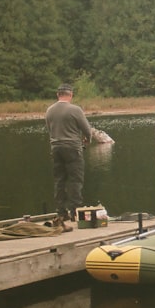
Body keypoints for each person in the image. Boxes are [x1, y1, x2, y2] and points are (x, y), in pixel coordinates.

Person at [45, 84, 93, 229]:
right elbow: (87, 130)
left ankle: (61, 212)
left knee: (59, 180)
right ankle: (75, 212)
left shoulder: (49, 110)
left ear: (57, 95)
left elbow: (49, 129)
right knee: (75, 180)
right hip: (72, 148)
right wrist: (87, 140)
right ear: (70, 95)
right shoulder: (75, 110)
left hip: (56, 147)